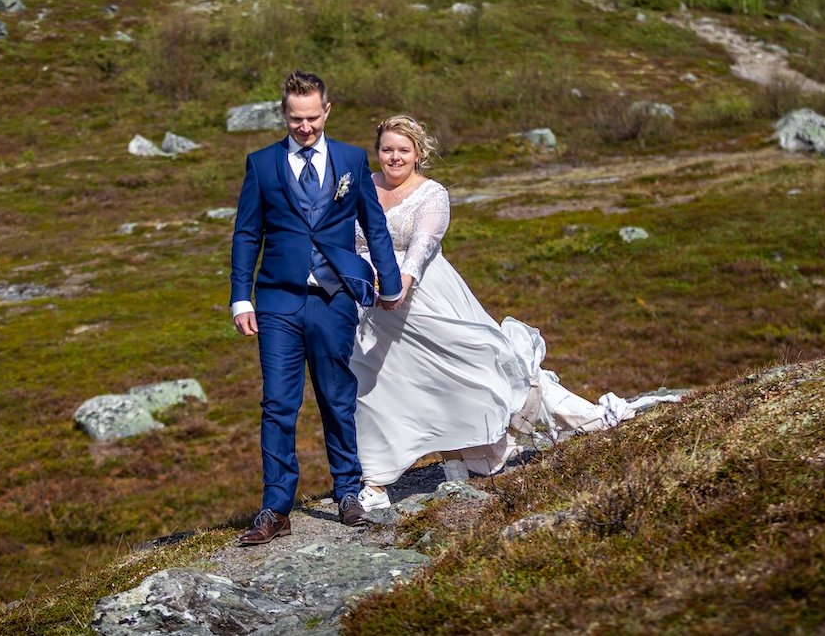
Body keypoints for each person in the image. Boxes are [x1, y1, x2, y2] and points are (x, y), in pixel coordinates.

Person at [349, 116, 645, 511]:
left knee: (481, 368)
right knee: (384, 386)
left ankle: (582, 418)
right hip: (368, 307)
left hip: (423, 296)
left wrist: (399, 285)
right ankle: (378, 477)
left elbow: (422, 246)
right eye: (387, 149)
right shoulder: (361, 186)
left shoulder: (432, 194)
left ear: (419, 153)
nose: (395, 157)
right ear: (378, 150)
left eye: (404, 150)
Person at [229, 72, 405, 545]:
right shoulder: (262, 164)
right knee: (278, 403)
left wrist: (389, 283)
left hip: (334, 299)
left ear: (327, 111)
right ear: (283, 114)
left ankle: (347, 490)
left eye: (312, 118)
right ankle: (275, 508)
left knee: (336, 395)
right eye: (295, 118)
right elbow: (247, 233)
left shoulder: (350, 159)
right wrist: (241, 297)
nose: (304, 127)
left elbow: (375, 224)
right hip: (278, 300)